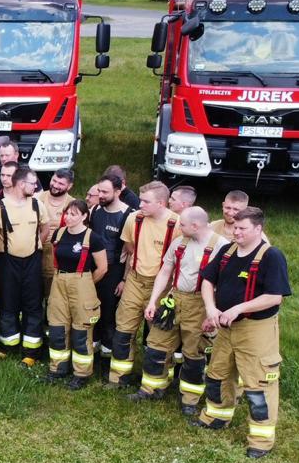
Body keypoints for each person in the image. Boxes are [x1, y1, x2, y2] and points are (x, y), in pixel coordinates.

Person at [192, 207, 291, 458]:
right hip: (225, 328)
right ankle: (216, 417)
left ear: (258, 229)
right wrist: (211, 309)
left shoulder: (271, 256)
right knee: (218, 374)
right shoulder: (228, 251)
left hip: (256, 330)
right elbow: (207, 281)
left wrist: (238, 308)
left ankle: (260, 441)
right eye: (235, 227)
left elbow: (274, 297)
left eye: (242, 228)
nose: (236, 232)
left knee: (258, 385)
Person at [133, 206, 228, 411]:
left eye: (182, 224)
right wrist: (153, 301)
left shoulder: (222, 247)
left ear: (195, 225)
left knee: (194, 354)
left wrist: (212, 311)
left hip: (201, 304)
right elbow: (165, 271)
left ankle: (189, 400)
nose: (179, 227)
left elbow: (225, 284)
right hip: (174, 300)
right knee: (156, 345)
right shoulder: (179, 243)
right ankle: (151, 388)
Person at [107, 181, 176, 387]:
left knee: (160, 336)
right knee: (123, 330)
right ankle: (118, 377)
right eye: (140, 200)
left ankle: (156, 384)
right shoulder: (134, 219)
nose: (140, 205)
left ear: (161, 203)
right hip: (135, 280)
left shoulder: (178, 225)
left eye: (146, 201)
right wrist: (126, 278)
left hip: (163, 285)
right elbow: (130, 248)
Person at [45, 198, 107, 388]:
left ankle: (81, 374)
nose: (69, 217)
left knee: (81, 331)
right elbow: (55, 257)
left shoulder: (93, 238)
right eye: (67, 213)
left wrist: (86, 284)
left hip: (82, 283)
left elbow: (102, 268)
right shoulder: (59, 233)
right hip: (59, 282)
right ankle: (58, 369)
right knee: (57, 328)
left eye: (74, 214)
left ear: (84, 216)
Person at [0, 165, 51, 364]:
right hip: (7, 262)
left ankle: (31, 352)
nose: (35, 187)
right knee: (7, 303)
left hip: (33, 261)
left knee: (33, 305)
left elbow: (46, 228)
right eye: (33, 183)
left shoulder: (37, 205)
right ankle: (7, 346)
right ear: (20, 184)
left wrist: (35, 245)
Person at [88, 173, 131, 355]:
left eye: (105, 192)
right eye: (99, 191)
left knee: (108, 314)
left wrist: (124, 279)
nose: (100, 195)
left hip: (114, 271)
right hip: (93, 267)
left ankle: (107, 355)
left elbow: (131, 252)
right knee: (91, 309)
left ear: (118, 192)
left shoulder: (128, 215)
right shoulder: (94, 210)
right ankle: (92, 348)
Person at [38, 168, 75, 295]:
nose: (55, 185)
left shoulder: (72, 204)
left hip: (58, 255)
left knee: (53, 293)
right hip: (37, 250)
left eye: (61, 183)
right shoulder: (39, 198)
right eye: (54, 181)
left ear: (69, 186)